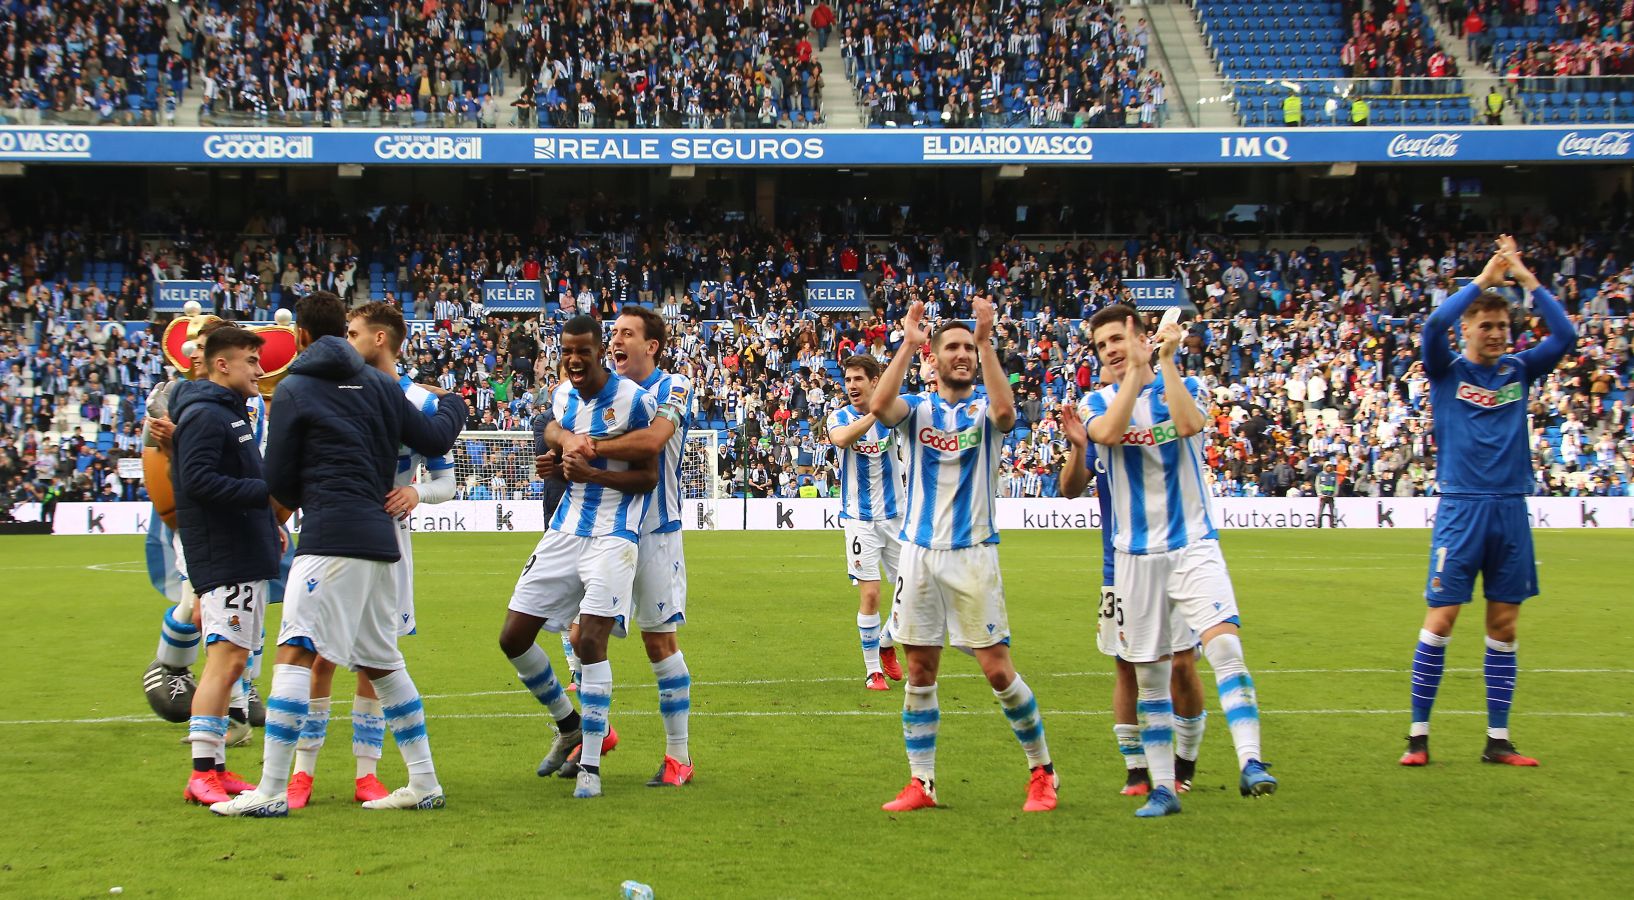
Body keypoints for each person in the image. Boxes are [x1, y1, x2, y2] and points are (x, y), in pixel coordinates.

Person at [210, 291, 467, 817]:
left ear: (301, 337)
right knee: (382, 660)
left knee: (296, 652)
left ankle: (272, 790)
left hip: (331, 535)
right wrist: (456, 401)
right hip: (381, 541)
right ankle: (423, 782)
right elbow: (436, 433)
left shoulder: (296, 388)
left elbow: (278, 479)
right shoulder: (380, 385)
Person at [1081, 306, 1277, 818]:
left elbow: (1191, 424)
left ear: (1143, 337)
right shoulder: (1095, 400)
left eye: (1120, 338)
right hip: (1134, 557)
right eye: (1104, 346)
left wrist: (1164, 363)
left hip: (1193, 542)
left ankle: (1251, 761)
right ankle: (1164, 789)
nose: (1113, 350)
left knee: (1225, 645)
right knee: (1149, 676)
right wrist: (1137, 371)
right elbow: (1109, 432)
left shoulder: (1180, 386)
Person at [869, 298, 1058, 814]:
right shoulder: (918, 410)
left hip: (973, 554)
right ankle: (922, 783)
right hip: (918, 554)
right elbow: (880, 408)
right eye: (951, 347)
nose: (962, 355)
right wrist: (908, 344)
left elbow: (1006, 412)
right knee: (920, 668)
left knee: (997, 670)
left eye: (968, 348)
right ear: (934, 358)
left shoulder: (984, 411)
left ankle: (1042, 772)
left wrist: (988, 337)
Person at [1401, 238, 1575, 768]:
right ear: (1467, 330)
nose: (1498, 335)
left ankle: (1498, 740)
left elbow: (1566, 335)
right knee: (1443, 618)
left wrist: (1523, 276)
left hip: (1510, 509)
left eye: (1503, 327)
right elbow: (1431, 328)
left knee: (1504, 625)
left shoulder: (1518, 371)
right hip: (1462, 508)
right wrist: (1481, 281)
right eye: (1487, 326)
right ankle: (1418, 735)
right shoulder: (1446, 370)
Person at [286, 302, 459, 809]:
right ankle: (302, 773)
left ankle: (368, 773)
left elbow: (446, 479)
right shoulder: (338, 390)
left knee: (374, 660)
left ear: (379, 338)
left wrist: (416, 494)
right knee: (318, 655)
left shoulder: (419, 402)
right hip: (337, 529)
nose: (344, 338)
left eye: (354, 332)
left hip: (389, 541)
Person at [502, 314, 658, 799]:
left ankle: (590, 763)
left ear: (599, 353)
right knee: (513, 637)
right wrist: (556, 464)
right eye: (567, 350)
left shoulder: (633, 401)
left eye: (582, 351)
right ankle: (568, 725)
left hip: (615, 533)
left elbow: (647, 477)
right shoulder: (563, 397)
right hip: (565, 529)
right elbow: (560, 449)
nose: (573, 359)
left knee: (591, 642)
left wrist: (594, 475)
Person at [546, 307, 696, 787]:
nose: (616, 340)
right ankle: (599, 730)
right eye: (613, 333)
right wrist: (563, 444)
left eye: (627, 333)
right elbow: (551, 422)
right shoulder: (594, 392)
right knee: (578, 635)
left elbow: (654, 438)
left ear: (651, 346)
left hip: (654, 530)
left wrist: (585, 445)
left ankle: (679, 756)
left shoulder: (674, 387)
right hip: (604, 531)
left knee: (658, 642)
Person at [1058, 422, 1208, 796]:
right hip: (1120, 568)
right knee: (1126, 667)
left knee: (1182, 665)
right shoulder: (1098, 419)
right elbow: (1069, 489)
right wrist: (1078, 448)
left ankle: (1184, 763)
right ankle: (1136, 769)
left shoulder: (1163, 414)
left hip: (1175, 560)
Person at [172, 325, 282, 805]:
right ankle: (201, 772)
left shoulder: (229, 413)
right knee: (225, 661)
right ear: (222, 364)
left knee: (233, 660)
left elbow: (238, 476)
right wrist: (263, 494)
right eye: (250, 362)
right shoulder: (204, 415)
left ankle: (215, 766)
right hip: (223, 554)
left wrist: (266, 519)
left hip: (242, 548)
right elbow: (197, 481)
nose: (260, 370)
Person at [825, 353, 907, 691]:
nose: (852, 386)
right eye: (848, 380)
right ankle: (873, 670)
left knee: (916, 593)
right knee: (870, 595)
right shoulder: (838, 416)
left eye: (859, 379)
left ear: (875, 381)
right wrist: (875, 412)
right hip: (859, 519)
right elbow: (841, 440)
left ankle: (887, 642)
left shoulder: (894, 414)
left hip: (897, 516)